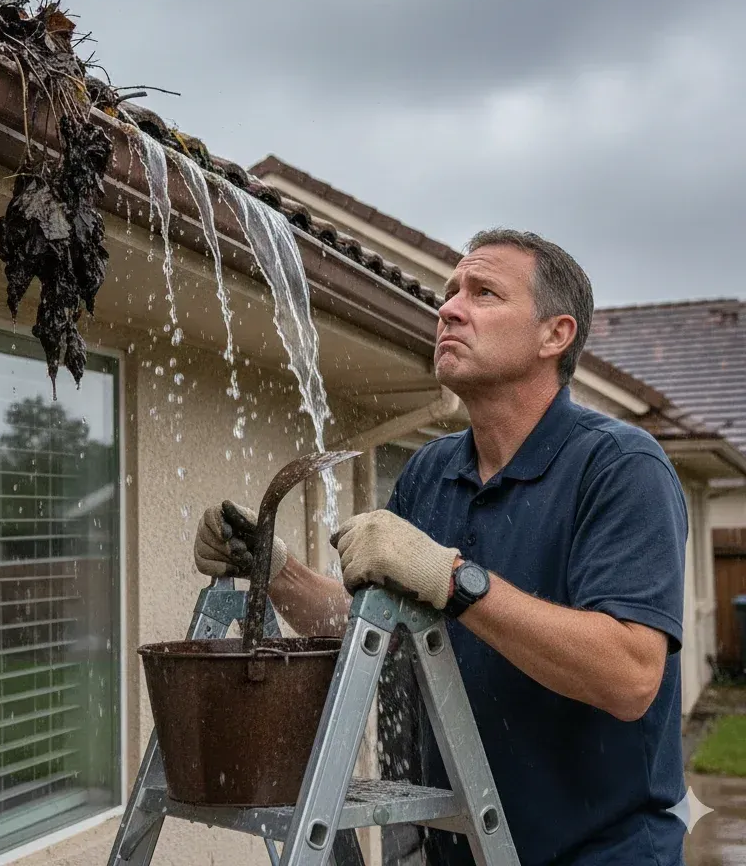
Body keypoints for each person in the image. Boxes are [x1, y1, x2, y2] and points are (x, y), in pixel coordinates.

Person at [194, 228, 689, 866]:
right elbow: (369, 625)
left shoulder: (620, 468)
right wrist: (275, 568)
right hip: (465, 849)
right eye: (450, 292)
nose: (449, 308)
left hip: (601, 853)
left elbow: (628, 675)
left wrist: (451, 579)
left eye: (484, 293)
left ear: (554, 335)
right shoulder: (432, 473)